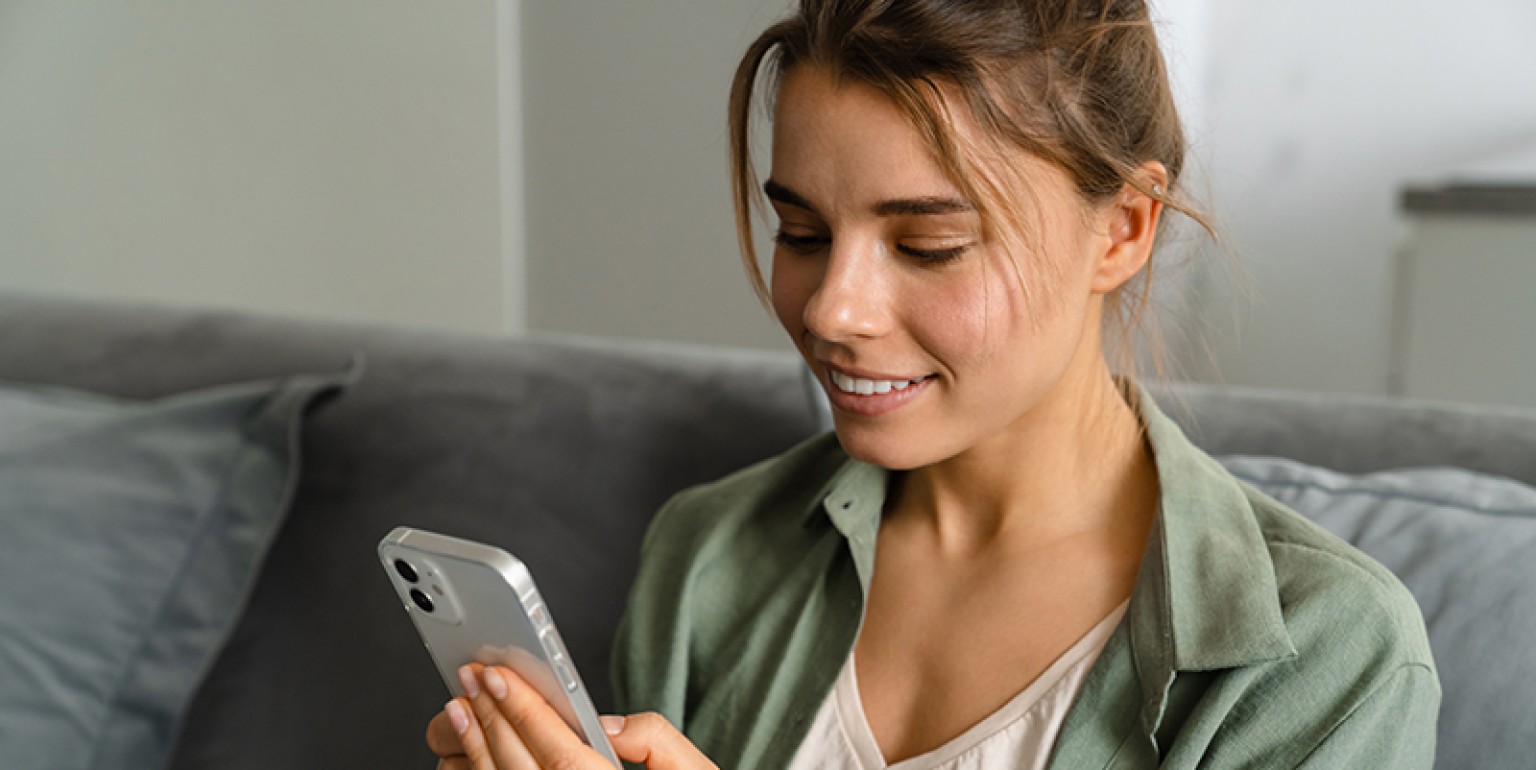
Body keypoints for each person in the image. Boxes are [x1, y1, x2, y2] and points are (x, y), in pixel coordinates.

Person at [426, 1, 1440, 768]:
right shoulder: (708, 556)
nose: (831, 309)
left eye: (928, 244)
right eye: (804, 233)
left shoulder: (1324, 655)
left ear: (1125, 228)